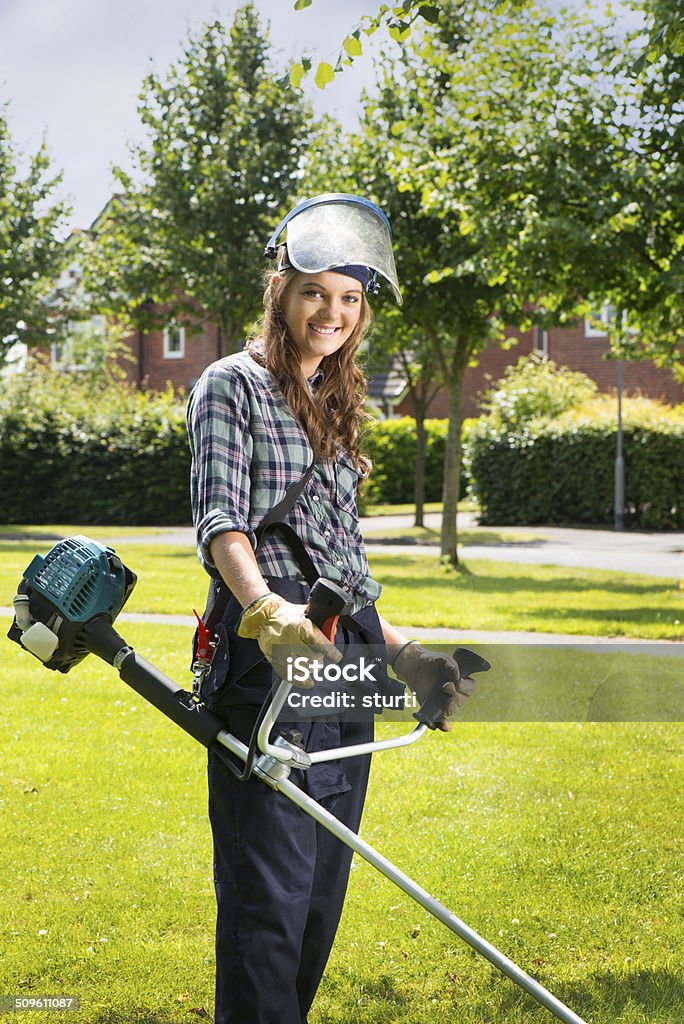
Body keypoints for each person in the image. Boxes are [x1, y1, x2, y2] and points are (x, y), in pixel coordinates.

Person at [186, 193, 475, 1024]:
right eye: (318, 291)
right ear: (281, 290)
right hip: (270, 656)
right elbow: (222, 521)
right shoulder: (227, 386)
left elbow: (347, 568)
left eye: (351, 298)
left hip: (345, 662)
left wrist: (407, 651)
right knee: (268, 900)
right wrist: (266, 609)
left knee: (319, 895)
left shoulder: (341, 406)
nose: (334, 313)